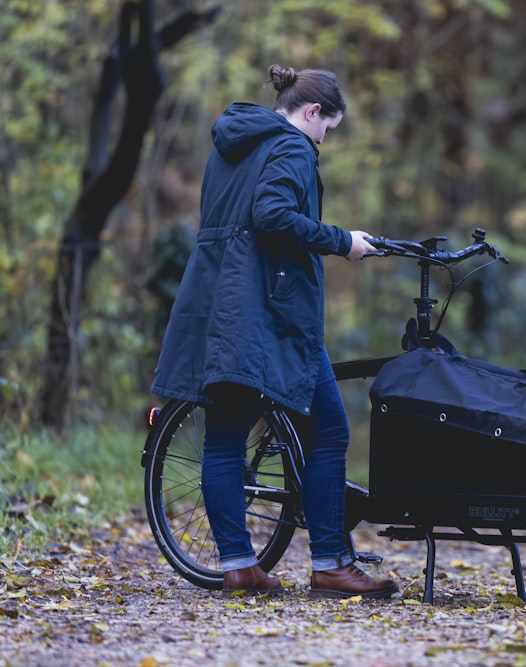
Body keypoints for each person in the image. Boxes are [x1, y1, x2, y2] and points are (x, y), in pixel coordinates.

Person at [150, 64, 397, 599]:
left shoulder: (232, 144)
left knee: (224, 440)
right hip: (267, 310)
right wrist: (342, 240)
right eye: (327, 127)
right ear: (312, 112)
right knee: (329, 431)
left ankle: (240, 565)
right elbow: (270, 214)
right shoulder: (292, 147)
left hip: (216, 303)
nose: (325, 139)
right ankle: (331, 562)